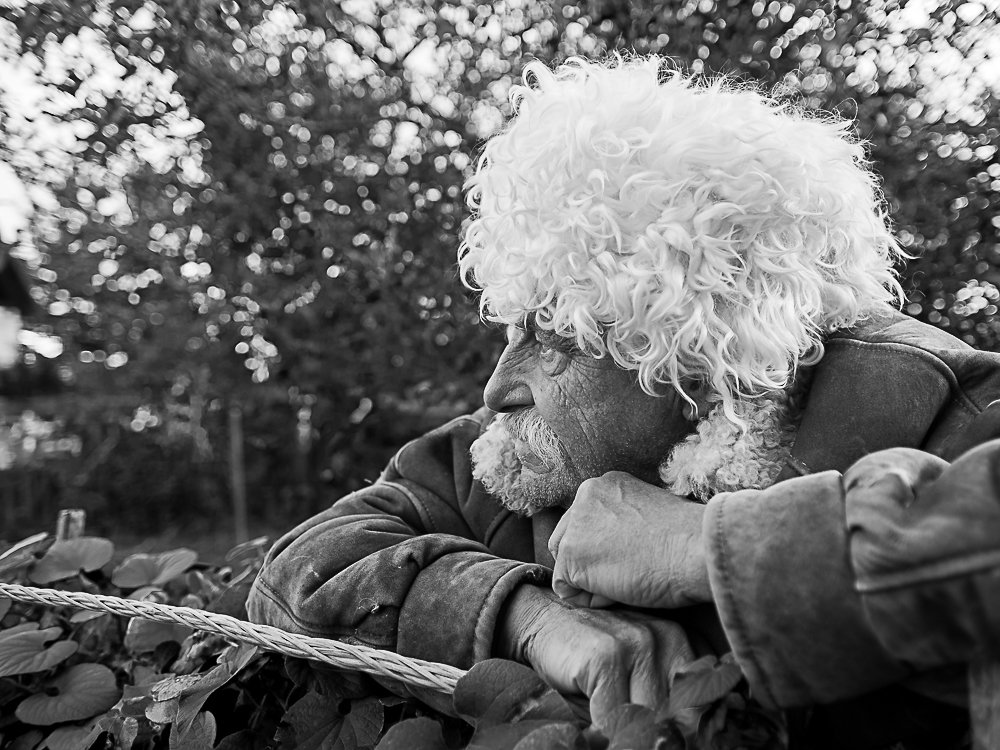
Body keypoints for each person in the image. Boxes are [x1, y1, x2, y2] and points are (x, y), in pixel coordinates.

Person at [247, 55, 1000, 747]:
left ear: (702, 357)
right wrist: (521, 615)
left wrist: (707, 550)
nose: (496, 387)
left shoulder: (950, 410)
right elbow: (295, 577)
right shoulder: (506, 457)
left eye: (559, 340)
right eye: (514, 330)